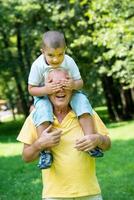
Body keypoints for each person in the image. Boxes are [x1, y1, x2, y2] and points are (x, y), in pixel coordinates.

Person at [17, 69, 111, 200]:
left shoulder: (86, 113)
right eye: (55, 86)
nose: (60, 90)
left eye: (64, 85)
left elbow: (107, 144)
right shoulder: (37, 117)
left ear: (72, 88)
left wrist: (98, 139)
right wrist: (39, 144)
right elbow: (26, 157)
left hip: (90, 193)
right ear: (46, 90)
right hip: (54, 195)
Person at [28, 30, 103, 169]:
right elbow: (31, 89)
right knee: (43, 111)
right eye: (51, 55)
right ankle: (45, 152)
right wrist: (46, 89)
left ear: (65, 50)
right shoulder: (37, 65)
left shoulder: (69, 61)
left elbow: (80, 82)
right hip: (44, 95)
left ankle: (90, 141)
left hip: (70, 91)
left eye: (60, 54)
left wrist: (73, 84)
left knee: (82, 102)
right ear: (42, 51)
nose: (56, 60)